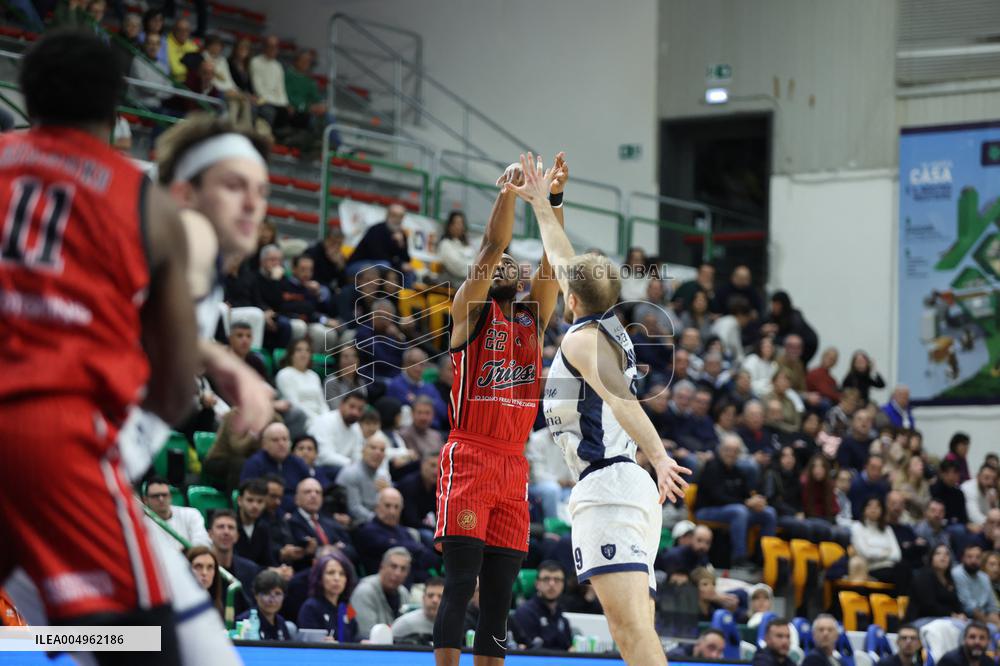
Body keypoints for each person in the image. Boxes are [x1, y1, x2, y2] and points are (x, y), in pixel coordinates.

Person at [0, 30, 200, 666]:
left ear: (27, 100)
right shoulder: (145, 202)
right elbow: (175, 388)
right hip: (55, 432)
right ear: (119, 110)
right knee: (144, 643)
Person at [509, 152, 688, 666]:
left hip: (611, 487)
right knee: (636, 628)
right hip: (619, 485)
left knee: (630, 631)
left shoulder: (586, 342)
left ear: (570, 299)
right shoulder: (604, 321)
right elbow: (563, 257)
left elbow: (623, 401)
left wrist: (659, 455)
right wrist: (547, 202)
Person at [431, 155, 565, 666]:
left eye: (517, 264)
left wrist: (551, 202)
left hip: (513, 465)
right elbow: (492, 246)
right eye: (503, 266)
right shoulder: (469, 314)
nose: (511, 266)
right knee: (461, 585)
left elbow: (553, 264)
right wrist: (508, 193)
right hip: (469, 455)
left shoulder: (532, 321)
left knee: (500, 599)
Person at [695, 435, 777, 567]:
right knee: (739, 511)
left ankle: (762, 558)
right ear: (720, 450)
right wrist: (746, 503)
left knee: (768, 513)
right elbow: (717, 497)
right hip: (706, 510)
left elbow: (746, 494)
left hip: (733, 511)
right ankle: (739, 558)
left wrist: (755, 501)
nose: (731, 454)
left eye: (735, 451)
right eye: (728, 450)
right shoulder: (712, 467)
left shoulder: (738, 471)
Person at [354, 487, 438, 579]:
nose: (392, 511)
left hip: (415, 579)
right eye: (387, 506)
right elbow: (394, 547)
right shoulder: (367, 531)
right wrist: (416, 548)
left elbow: (428, 558)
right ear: (377, 507)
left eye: (396, 507)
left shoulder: (404, 532)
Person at [286, 478, 356, 570]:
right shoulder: (291, 523)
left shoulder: (329, 521)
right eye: (307, 492)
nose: (314, 495)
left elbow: (352, 551)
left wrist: (331, 550)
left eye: (318, 492)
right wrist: (333, 549)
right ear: (296, 499)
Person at [241, 422, 310, 511]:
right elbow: (250, 495)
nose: (281, 444)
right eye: (275, 440)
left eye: (285, 439)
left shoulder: (298, 463)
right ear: (264, 444)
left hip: (297, 513)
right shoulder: (254, 464)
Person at [349, 546, 412, 639]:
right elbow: (366, 634)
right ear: (382, 566)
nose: (398, 573)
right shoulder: (365, 591)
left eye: (403, 569)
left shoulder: (404, 593)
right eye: (393, 566)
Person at [297, 550, 359, 642]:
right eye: (330, 573)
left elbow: (354, 637)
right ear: (319, 577)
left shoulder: (347, 607)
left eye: (342, 574)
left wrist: (362, 642)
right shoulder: (310, 607)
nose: (337, 578)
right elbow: (310, 645)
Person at [511, 562, 573, 651]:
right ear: (537, 584)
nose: (552, 584)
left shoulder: (562, 618)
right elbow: (529, 651)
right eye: (546, 579)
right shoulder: (525, 613)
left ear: (563, 584)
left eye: (557, 579)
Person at [851, 496, 910, 588]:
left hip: (891, 567)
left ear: (882, 510)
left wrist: (875, 551)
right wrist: (885, 552)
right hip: (871, 569)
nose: (873, 509)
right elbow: (865, 553)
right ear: (863, 509)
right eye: (869, 506)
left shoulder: (887, 529)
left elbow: (897, 555)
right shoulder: (857, 527)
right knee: (900, 573)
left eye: (877, 506)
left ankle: (900, 600)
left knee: (905, 568)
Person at [208, 509, 261, 612]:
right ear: (210, 534)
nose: (226, 532)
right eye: (220, 527)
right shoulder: (202, 569)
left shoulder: (250, 570)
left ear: (237, 536)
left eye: (231, 527)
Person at [386, 348, 449, 429]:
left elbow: (444, 412)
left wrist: (416, 399)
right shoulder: (395, 385)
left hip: (432, 431)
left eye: (421, 364)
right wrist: (430, 403)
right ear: (405, 364)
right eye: (413, 363)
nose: (417, 368)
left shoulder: (430, 387)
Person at [336, 433, 391, 525]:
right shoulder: (351, 473)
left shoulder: (384, 475)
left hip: (378, 521)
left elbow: (389, 506)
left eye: (382, 450)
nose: (378, 453)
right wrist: (380, 521)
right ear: (363, 450)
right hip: (357, 524)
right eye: (373, 448)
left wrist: (388, 492)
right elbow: (354, 509)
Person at [144, 476, 211, 549]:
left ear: (170, 496)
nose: (161, 499)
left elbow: (203, 542)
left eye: (164, 495)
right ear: (146, 500)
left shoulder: (191, 514)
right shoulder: (142, 524)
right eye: (155, 496)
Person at [905, 544, 965, 623]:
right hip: (921, 619)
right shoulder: (923, 576)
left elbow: (956, 602)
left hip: (946, 619)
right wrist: (952, 615)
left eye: (947, 554)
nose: (943, 557)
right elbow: (928, 606)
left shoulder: (949, 579)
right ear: (931, 558)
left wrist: (961, 614)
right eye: (938, 553)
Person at [308, 390, 366, 469]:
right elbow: (325, 456)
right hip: (319, 468)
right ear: (341, 405)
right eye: (352, 406)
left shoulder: (356, 428)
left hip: (343, 468)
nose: (355, 412)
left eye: (360, 409)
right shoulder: (325, 421)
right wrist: (352, 464)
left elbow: (357, 455)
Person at [235, 570, 293, 641]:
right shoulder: (245, 621)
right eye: (266, 593)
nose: (272, 600)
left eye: (277, 594)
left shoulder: (281, 622)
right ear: (256, 595)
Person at [251, 35, 291, 132]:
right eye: (271, 46)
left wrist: (285, 103)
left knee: (287, 112)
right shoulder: (255, 62)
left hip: (276, 101)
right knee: (269, 111)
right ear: (265, 47)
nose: (274, 49)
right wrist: (275, 102)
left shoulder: (278, 66)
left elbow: (280, 88)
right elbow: (258, 88)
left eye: (276, 47)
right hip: (262, 99)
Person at [952, 544, 1000, 625]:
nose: (973, 560)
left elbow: (992, 607)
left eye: (977, 557)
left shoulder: (984, 577)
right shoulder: (957, 573)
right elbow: (968, 607)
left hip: (985, 617)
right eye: (969, 557)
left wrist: (997, 623)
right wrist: (988, 624)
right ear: (962, 558)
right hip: (967, 618)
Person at [392, 577, 444, 645]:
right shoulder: (404, 623)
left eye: (440, 596)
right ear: (423, 598)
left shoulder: (458, 625)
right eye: (430, 596)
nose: (435, 600)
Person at [438, 211, 476, 285]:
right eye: (458, 223)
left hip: (471, 281)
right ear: (450, 226)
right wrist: (475, 270)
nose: (460, 226)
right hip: (454, 283)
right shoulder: (445, 244)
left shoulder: (467, 245)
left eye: (462, 223)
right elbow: (458, 268)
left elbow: (476, 260)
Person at [186, 546, 225, 618]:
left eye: (210, 567)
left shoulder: (217, 606)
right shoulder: (168, 605)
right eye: (198, 566)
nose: (204, 573)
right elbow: (157, 629)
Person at [848, 455, 891, 520]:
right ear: (866, 466)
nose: (876, 472)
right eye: (873, 468)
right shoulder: (855, 484)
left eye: (879, 469)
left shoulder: (884, 486)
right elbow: (854, 511)